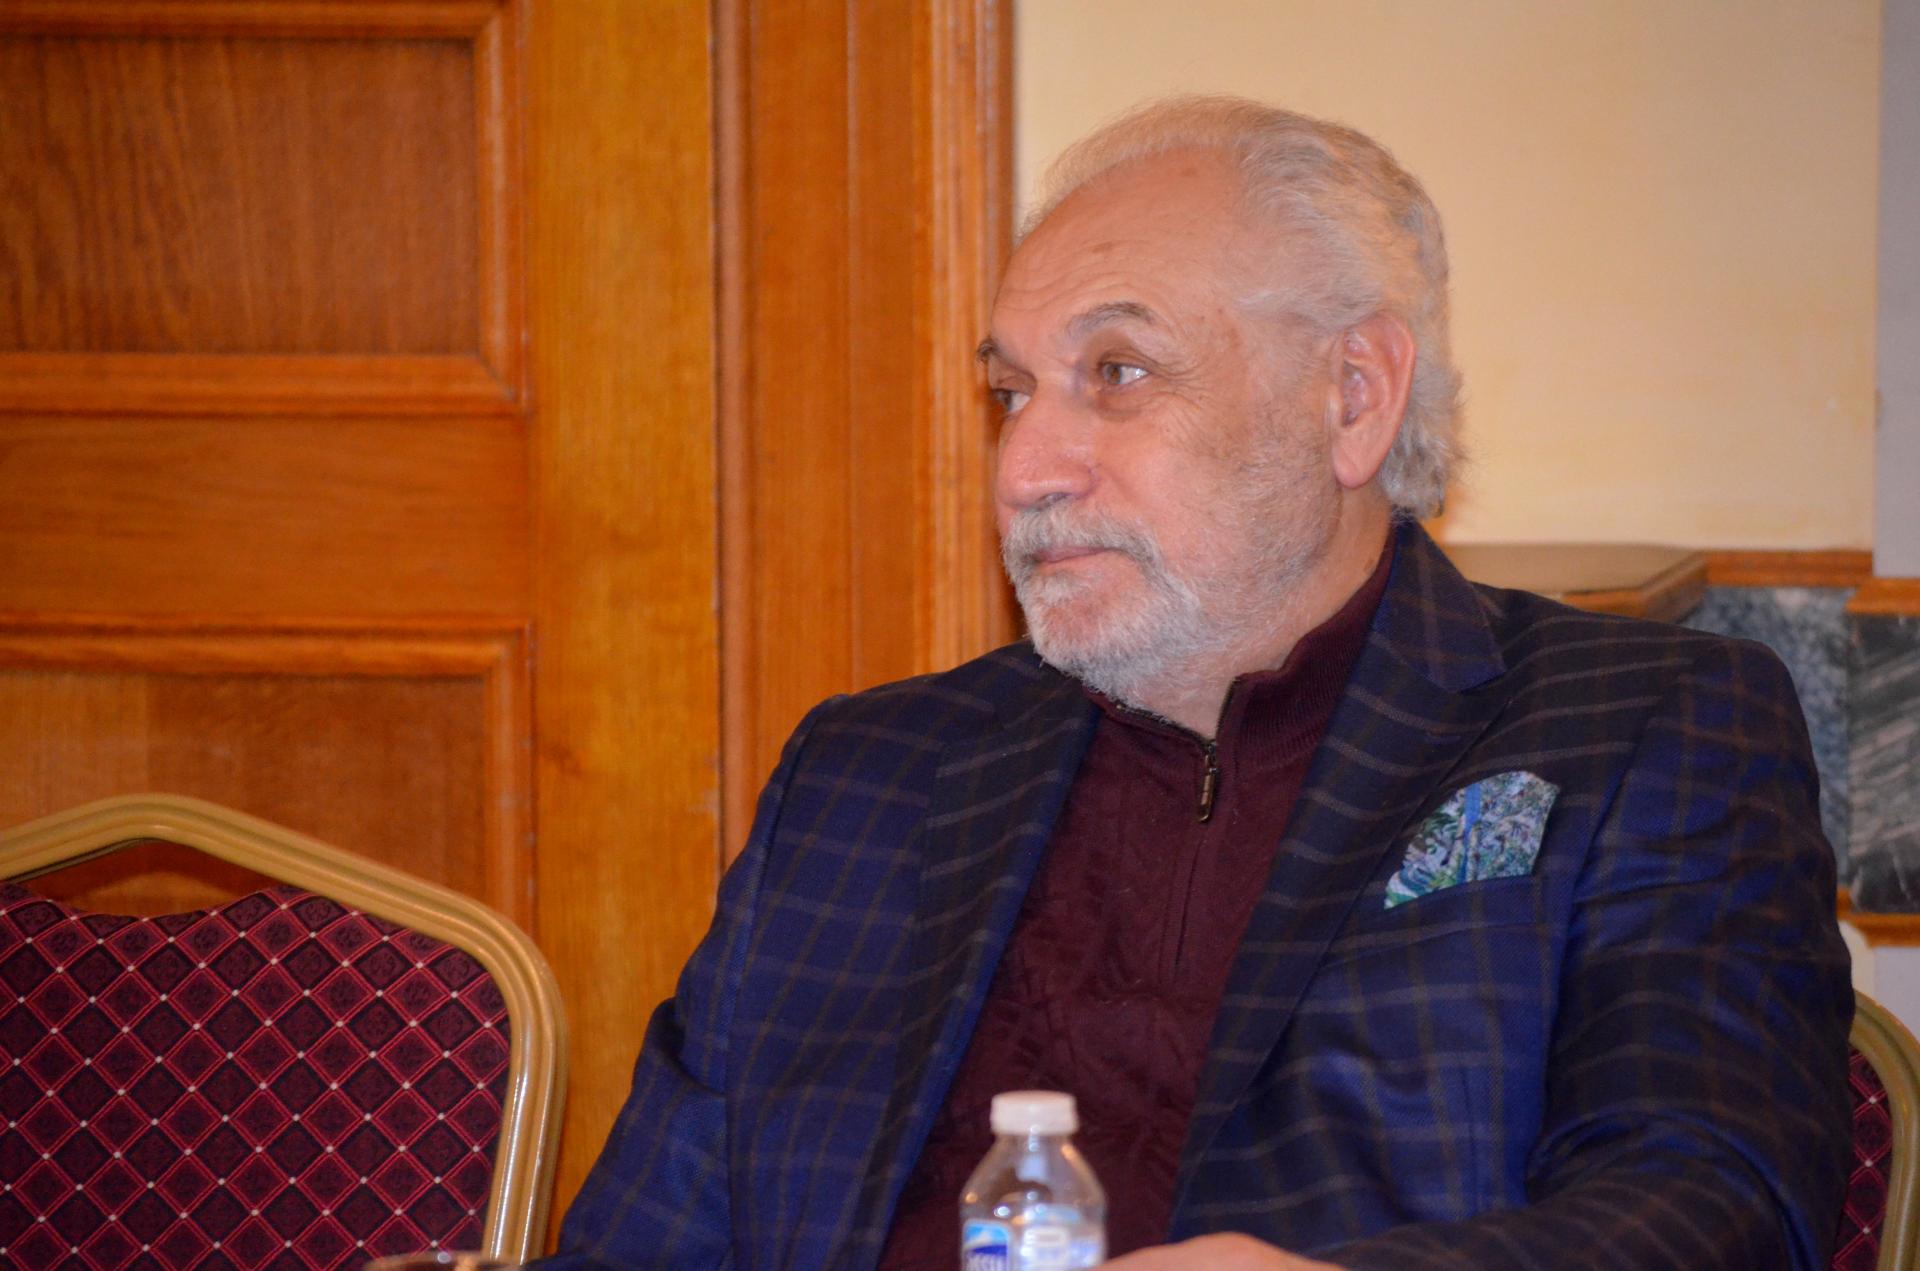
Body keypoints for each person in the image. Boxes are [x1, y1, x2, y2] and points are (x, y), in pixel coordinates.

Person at [542, 96, 1853, 1270]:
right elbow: (638, 1249)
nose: (1026, 469)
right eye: (1012, 392)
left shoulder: (1631, 730)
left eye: (1117, 373)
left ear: (1353, 397)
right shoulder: (871, 776)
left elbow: (1713, 1208)